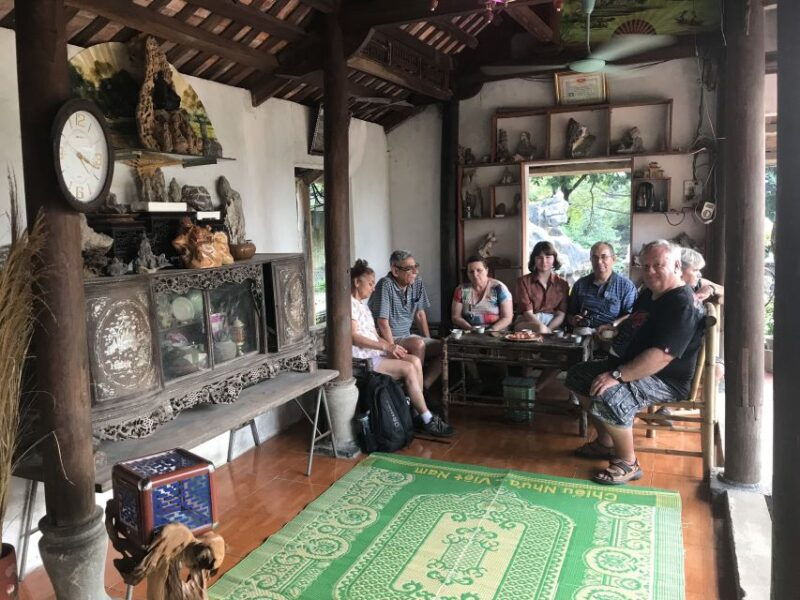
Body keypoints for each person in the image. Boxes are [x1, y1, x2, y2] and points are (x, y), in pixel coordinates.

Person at [565, 240, 705, 485]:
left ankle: (628, 462)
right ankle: (606, 442)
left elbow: (662, 356)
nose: (649, 271)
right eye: (645, 266)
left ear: (676, 265)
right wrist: (616, 328)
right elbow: (636, 319)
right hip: (631, 365)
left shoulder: (681, 303)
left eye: (657, 265)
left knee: (610, 393)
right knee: (577, 375)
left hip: (664, 377)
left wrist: (617, 375)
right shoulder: (649, 294)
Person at [351, 259, 453, 437]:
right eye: (370, 283)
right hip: (362, 359)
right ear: (356, 282)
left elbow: (373, 334)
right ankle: (426, 417)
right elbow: (353, 337)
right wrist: (386, 346)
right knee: (408, 368)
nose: (373, 288)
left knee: (414, 360)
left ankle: (416, 410)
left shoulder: (362, 306)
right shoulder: (348, 304)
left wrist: (391, 346)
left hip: (374, 353)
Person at [369, 250, 442, 388]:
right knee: (418, 344)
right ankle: (414, 391)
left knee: (444, 348)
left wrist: (428, 340)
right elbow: (382, 322)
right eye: (409, 268)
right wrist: (391, 348)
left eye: (416, 266)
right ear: (395, 271)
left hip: (408, 335)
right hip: (389, 337)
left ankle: (424, 386)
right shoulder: (385, 285)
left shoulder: (417, 283)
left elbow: (420, 315)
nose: (415, 272)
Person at [567, 242, 637, 330]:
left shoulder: (626, 286)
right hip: (583, 332)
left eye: (604, 257)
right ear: (591, 260)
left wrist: (613, 325)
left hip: (612, 335)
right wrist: (574, 320)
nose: (599, 261)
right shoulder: (580, 284)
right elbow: (570, 314)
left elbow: (631, 314)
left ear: (613, 259)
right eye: (595, 257)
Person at [514, 241, 569, 333]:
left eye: (548, 257)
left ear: (554, 259)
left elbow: (561, 314)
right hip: (527, 320)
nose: (544, 261)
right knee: (540, 329)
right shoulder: (523, 281)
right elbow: (527, 313)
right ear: (534, 259)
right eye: (539, 257)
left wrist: (549, 329)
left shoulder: (562, 284)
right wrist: (543, 329)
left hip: (553, 322)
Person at [451, 256, 513, 332]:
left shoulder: (499, 288)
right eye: (471, 271)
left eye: (479, 270)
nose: (475, 274)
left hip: (496, 332)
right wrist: (469, 328)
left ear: (486, 271)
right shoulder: (462, 290)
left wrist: (491, 330)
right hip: (469, 332)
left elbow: (507, 317)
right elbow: (455, 317)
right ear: (467, 273)